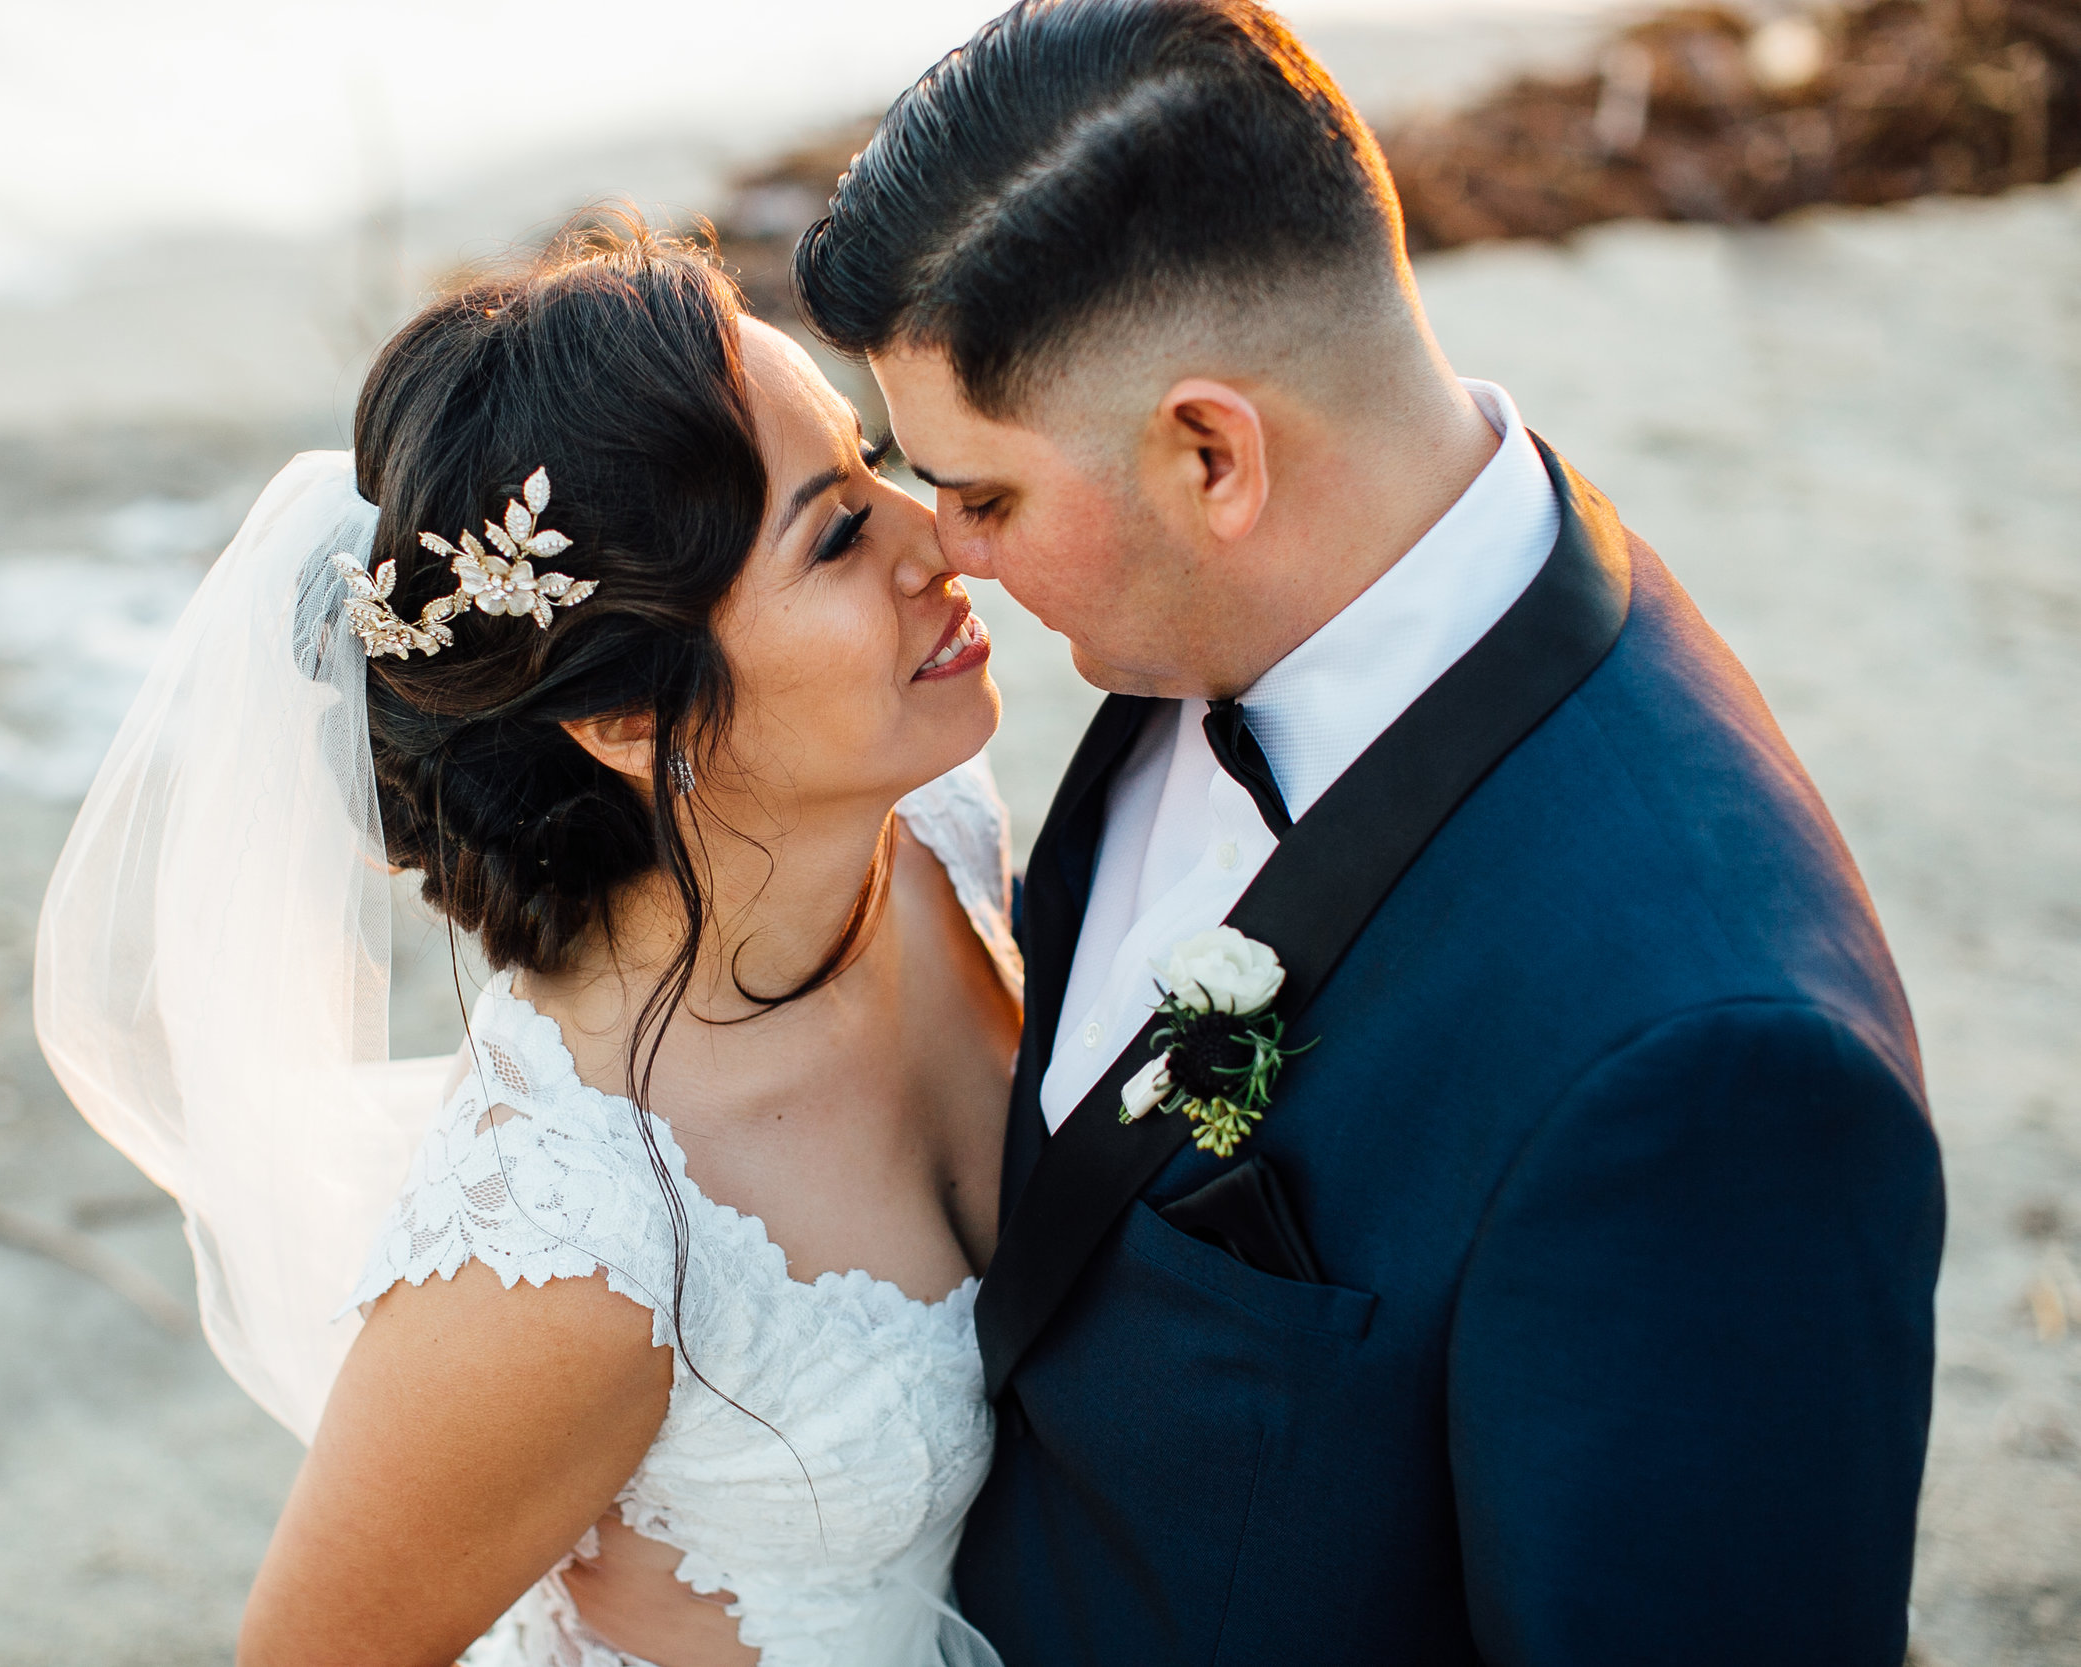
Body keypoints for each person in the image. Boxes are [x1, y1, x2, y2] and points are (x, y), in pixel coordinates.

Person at [790, 1, 1944, 1662]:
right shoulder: (1216, 616)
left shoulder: (1704, 1069)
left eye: (986, 497)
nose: (947, 553)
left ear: (1212, 454)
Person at [35, 218, 1021, 1666]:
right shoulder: (564, 1254)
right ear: (629, 718)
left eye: (875, 463)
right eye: (834, 529)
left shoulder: (935, 814)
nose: (936, 536)